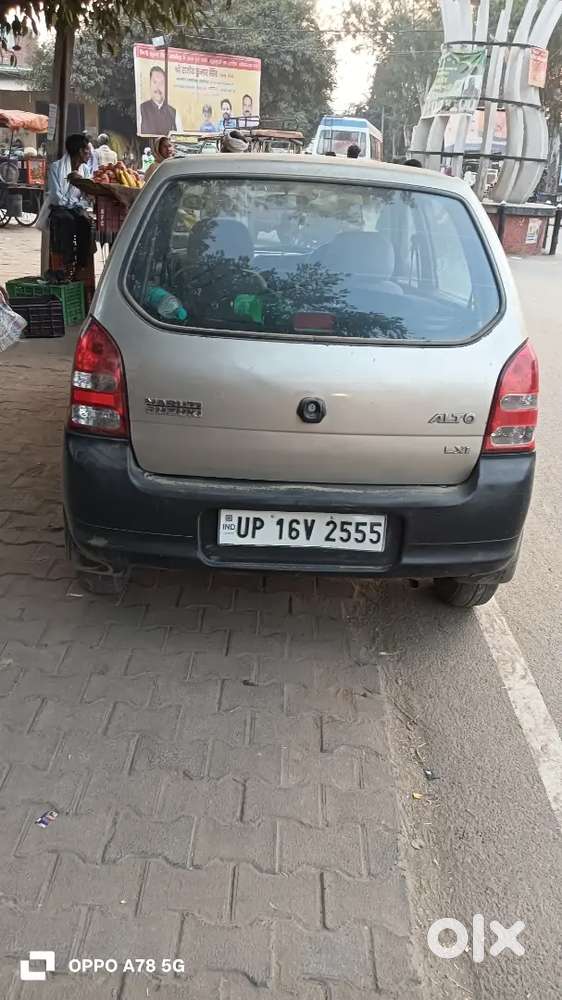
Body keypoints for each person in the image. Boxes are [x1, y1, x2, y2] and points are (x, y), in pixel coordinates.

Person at [42, 133, 95, 270]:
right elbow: (56, 196)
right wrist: (73, 204)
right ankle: (67, 262)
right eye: (87, 150)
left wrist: (79, 204)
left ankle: (81, 264)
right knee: (67, 220)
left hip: (76, 207)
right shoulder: (56, 167)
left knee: (86, 222)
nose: (89, 154)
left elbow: (86, 196)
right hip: (59, 208)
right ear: (80, 151)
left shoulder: (85, 170)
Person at [140, 66, 181, 135]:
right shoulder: (141, 110)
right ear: (150, 84)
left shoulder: (174, 114)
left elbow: (180, 138)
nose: (158, 87)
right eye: (155, 82)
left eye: (161, 83)